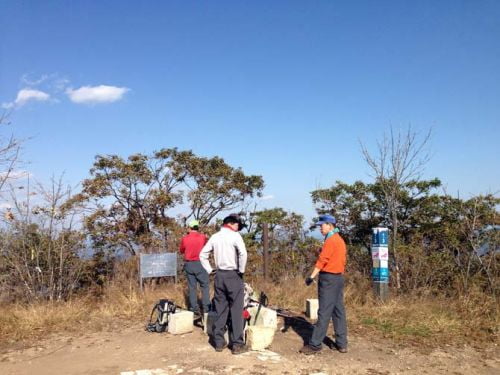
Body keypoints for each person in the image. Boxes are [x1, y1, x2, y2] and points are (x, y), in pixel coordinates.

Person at [199, 215, 248, 355]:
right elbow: (243, 254)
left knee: (221, 309)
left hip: (219, 275)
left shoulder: (215, 237)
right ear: (231, 224)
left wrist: (210, 270)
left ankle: (219, 341)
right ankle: (237, 344)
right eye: (238, 224)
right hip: (233, 275)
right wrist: (241, 270)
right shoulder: (235, 236)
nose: (239, 227)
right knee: (236, 309)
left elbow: (202, 255)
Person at [300, 214, 348, 355]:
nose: (320, 228)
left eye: (322, 225)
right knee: (338, 310)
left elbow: (322, 260)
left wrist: (311, 277)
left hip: (328, 279)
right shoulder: (339, 240)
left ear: (329, 225)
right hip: (338, 278)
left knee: (324, 312)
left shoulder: (331, 241)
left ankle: (315, 344)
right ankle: (341, 343)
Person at [179, 219, 210, 315]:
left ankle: (194, 309)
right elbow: (207, 247)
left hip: (189, 264)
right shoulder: (202, 237)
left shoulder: (185, 238)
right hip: (200, 264)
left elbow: (181, 250)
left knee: (192, 287)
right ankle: (206, 309)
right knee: (204, 286)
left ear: (189, 227)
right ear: (197, 227)